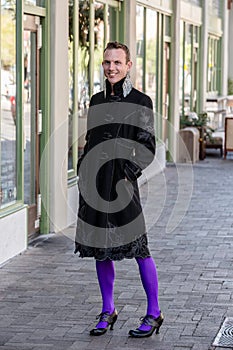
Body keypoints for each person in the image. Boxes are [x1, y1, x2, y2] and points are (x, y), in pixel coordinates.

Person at [75, 41, 163, 338]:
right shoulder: (97, 101)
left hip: (123, 186)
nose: (111, 67)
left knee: (140, 249)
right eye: (107, 62)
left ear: (128, 66)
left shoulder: (141, 101)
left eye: (117, 62)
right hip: (94, 185)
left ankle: (154, 312)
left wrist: (127, 173)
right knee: (101, 250)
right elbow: (90, 139)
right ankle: (108, 309)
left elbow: (148, 147)